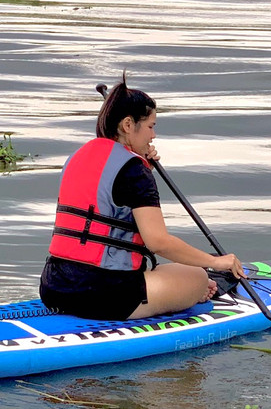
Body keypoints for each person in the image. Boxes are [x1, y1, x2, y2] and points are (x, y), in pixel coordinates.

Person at [40, 79, 244, 321]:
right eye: (150, 126)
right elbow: (159, 243)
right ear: (128, 124)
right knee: (198, 277)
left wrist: (141, 163)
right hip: (106, 296)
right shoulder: (134, 171)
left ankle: (178, 290)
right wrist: (215, 262)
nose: (153, 135)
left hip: (55, 287)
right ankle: (193, 289)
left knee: (171, 273)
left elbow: (109, 197)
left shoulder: (77, 157)